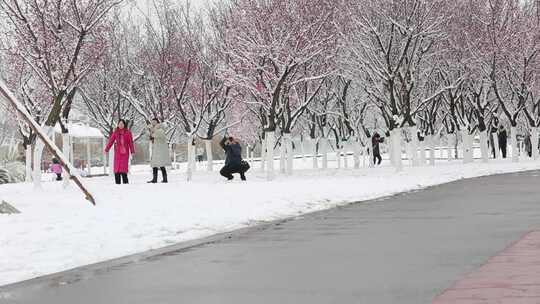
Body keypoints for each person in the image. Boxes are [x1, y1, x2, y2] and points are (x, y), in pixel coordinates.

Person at [105, 119, 135, 184]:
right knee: (117, 170)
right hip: (118, 154)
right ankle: (117, 186)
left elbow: (131, 143)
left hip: (125, 153)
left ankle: (125, 185)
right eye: (119, 124)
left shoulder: (128, 132)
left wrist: (132, 151)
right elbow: (111, 141)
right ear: (118, 125)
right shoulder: (115, 132)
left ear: (124, 125)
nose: (121, 125)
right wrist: (106, 149)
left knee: (123, 170)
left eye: (122, 124)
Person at [148, 118, 170, 183]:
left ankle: (165, 179)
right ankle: (155, 179)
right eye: (152, 122)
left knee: (161, 164)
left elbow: (155, 135)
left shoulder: (160, 129)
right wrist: (151, 132)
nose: (153, 123)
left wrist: (151, 131)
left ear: (157, 122)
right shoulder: (155, 129)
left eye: (154, 122)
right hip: (156, 149)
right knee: (155, 164)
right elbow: (151, 137)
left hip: (160, 150)